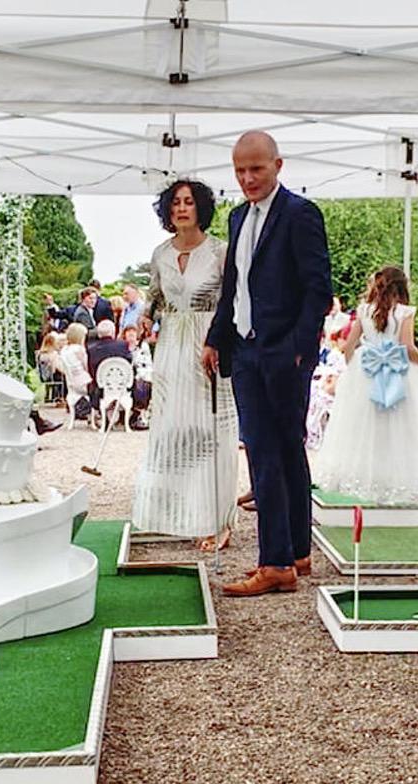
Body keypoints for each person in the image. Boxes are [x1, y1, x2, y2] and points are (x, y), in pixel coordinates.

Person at [202, 133, 333, 595]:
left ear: (277, 165)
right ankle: (297, 550)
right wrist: (215, 338)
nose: (247, 179)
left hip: (282, 352)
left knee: (272, 451)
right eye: (240, 170)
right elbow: (234, 286)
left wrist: (299, 347)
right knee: (278, 448)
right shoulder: (238, 217)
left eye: (256, 169)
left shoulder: (300, 214)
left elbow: (319, 288)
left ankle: (276, 562)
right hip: (245, 350)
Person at [133, 179, 236, 550]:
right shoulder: (160, 253)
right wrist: (146, 318)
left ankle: (217, 519)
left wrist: (219, 341)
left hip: (209, 342)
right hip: (171, 344)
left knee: (211, 431)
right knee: (172, 426)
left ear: (200, 208)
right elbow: (155, 295)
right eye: (175, 202)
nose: (181, 208)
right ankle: (175, 514)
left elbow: (231, 303)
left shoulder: (221, 252)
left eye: (188, 202)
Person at [314, 266, 418, 504]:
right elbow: (407, 347)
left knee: (366, 429)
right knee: (401, 428)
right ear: (402, 287)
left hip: (367, 369)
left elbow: (348, 346)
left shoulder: (364, 311)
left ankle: (369, 480)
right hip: (398, 371)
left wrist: (356, 370)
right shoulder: (404, 312)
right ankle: (396, 482)